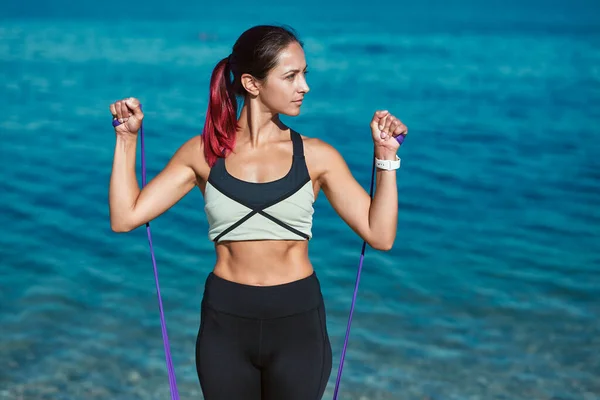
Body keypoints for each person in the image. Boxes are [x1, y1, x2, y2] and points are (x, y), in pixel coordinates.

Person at [108, 24, 407, 400]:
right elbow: (125, 217)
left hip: (297, 322)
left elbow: (380, 235)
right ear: (252, 84)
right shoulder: (203, 153)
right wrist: (126, 139)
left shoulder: (317, 156)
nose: (304, 87)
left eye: (304, 74)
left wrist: (386, 159)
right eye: (291, 76)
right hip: (225, 323)